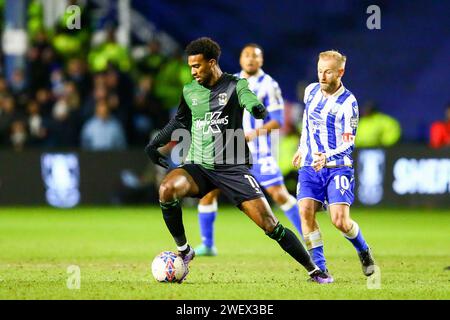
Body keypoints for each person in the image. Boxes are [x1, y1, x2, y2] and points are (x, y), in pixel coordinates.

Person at [145, 37, 332, 283]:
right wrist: (155, 142)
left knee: (270, 225)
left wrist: (257, 109)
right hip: (199, 166)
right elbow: (180, 121)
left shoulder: (235, 84)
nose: (193, 72)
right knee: (167, 188)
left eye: (197, 66)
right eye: (190, 67)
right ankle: (184, 250)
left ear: (211, 63)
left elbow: (248, 98)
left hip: (232, 167)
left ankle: (315, 270)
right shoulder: (190, 90)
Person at [194, 44, 303, 257]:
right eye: (246, 55)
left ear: (261, 61)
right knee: (208, 193)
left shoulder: (269, 85)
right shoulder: (228, 81)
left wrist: (254, 134)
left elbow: (278, 121)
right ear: (240, 59)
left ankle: (307, 236)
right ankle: (207, 245)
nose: (250, 59)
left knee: (279, 194)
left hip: (259, 152)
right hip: (230, 151)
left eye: (255, 56)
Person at [292, 50, 377, 281]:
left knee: (339, 221)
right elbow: (307, 125)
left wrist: (326, 157)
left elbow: (349, 144)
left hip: (338, 167)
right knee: (305, 212)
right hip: (311, 166)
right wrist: (302, 148)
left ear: (340, 72)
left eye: (328, 72)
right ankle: (320, 269)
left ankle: (363, 250)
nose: (322, 76)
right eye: (320, 71)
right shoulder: (310, 91)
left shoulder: (349, 103)